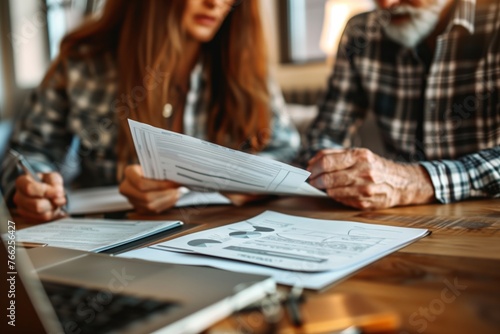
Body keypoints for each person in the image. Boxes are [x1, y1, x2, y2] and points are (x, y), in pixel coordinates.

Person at [1, 0, 300, 222]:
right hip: (110, 244)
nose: (216, 3)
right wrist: (35, 187)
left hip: (219, 235)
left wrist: (241, 181)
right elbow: (28, 151)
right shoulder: (83, 61)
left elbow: (287, 150)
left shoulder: (243, 64)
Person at [300, 0, 500, 209]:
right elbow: (325, 134)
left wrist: (417, 181)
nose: (387, 4)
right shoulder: (361, 32)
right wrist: (332, 171)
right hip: (397, 218)